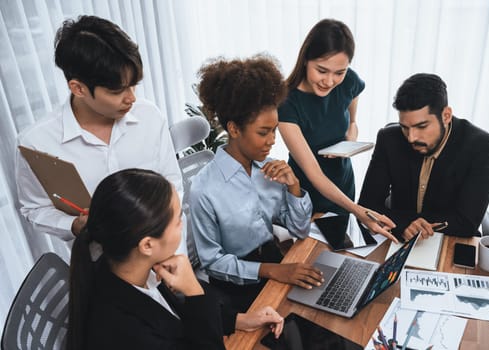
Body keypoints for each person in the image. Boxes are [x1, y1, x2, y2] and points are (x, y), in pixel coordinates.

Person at [15, 15, 186, 254]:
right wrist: (73, 225)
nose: (131, 98)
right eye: (117, 91)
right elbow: (35, 209)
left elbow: (172, 182)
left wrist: (169, 243)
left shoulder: (149, 116)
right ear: (78, 88)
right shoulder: (37, 143)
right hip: (101, 271)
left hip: (164, 256)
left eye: (133, 85)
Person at [66, 168, 284, 350]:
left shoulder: (130, 270)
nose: (183, 222)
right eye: (178, 218)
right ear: (147, 244)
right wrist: (194, 292)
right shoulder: (124, 330)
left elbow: (174, 319)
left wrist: (241, 321)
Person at [190, 55, 324, 313]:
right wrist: (273, 271)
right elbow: (212, 262)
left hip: (275, 260)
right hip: (237, 284)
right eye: (264, 132)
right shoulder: (204, 189)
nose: (272, 140)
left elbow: (300, 231)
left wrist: (294, 187)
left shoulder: (269, 169)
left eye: (274, 130)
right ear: (234, 129)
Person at [277, 19, 396, 241]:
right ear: (305, 61)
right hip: (308, 197)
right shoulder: (287, 103)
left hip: (344, 186)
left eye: (339, 72)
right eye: (321, 70)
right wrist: (358, 210)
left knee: (344, 254)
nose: (330, 81)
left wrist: (351, 134)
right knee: (314, 256)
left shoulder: (348, 80)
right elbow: (314, 173)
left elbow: (353, 121)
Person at [359, 73, 489, 240]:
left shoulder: (482, 147)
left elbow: (467, 223)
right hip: (398, 236)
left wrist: (413, 224)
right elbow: (367, 206)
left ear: (446, 116)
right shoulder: (389, 139)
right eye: (405, 127)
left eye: (421, 126)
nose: (411, 137)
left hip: (449, 239)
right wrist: (404, 225)